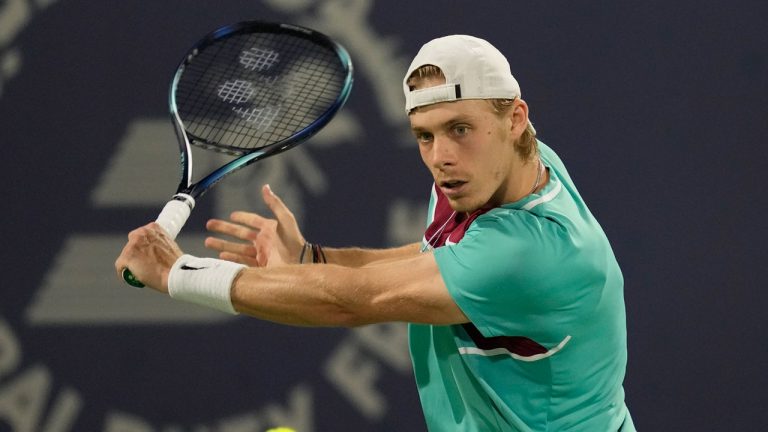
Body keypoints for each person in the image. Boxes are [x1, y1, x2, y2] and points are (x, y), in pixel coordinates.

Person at [116, 35, 635, 431]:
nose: (441, 158)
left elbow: (357, 302)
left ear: (516, 118)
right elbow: (436, 261)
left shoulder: (531, 251)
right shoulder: (507, 171)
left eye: (460, 129)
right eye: (425, 136)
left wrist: (176, 273)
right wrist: (312, 260)